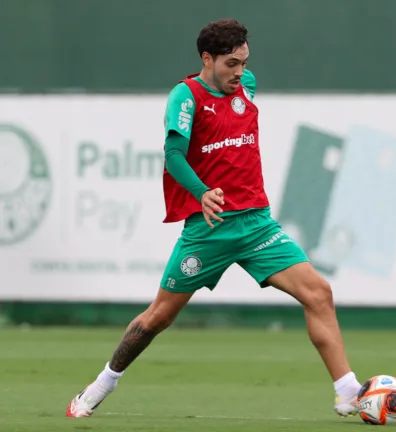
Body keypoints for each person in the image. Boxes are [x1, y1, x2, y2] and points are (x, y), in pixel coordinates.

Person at [66, 18, 362, 419]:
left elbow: (242, 91)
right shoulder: (185, 97)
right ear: (207, 59)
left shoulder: (247, 86)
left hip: (257, 225)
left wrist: (240, 74)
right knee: (159, 317)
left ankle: (349, 393)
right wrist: (202, 192)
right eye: (230, 64)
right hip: (209, 230)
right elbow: (173, 155)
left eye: (243, 62)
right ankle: (103, 383)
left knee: (318, 293)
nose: (239, 73)